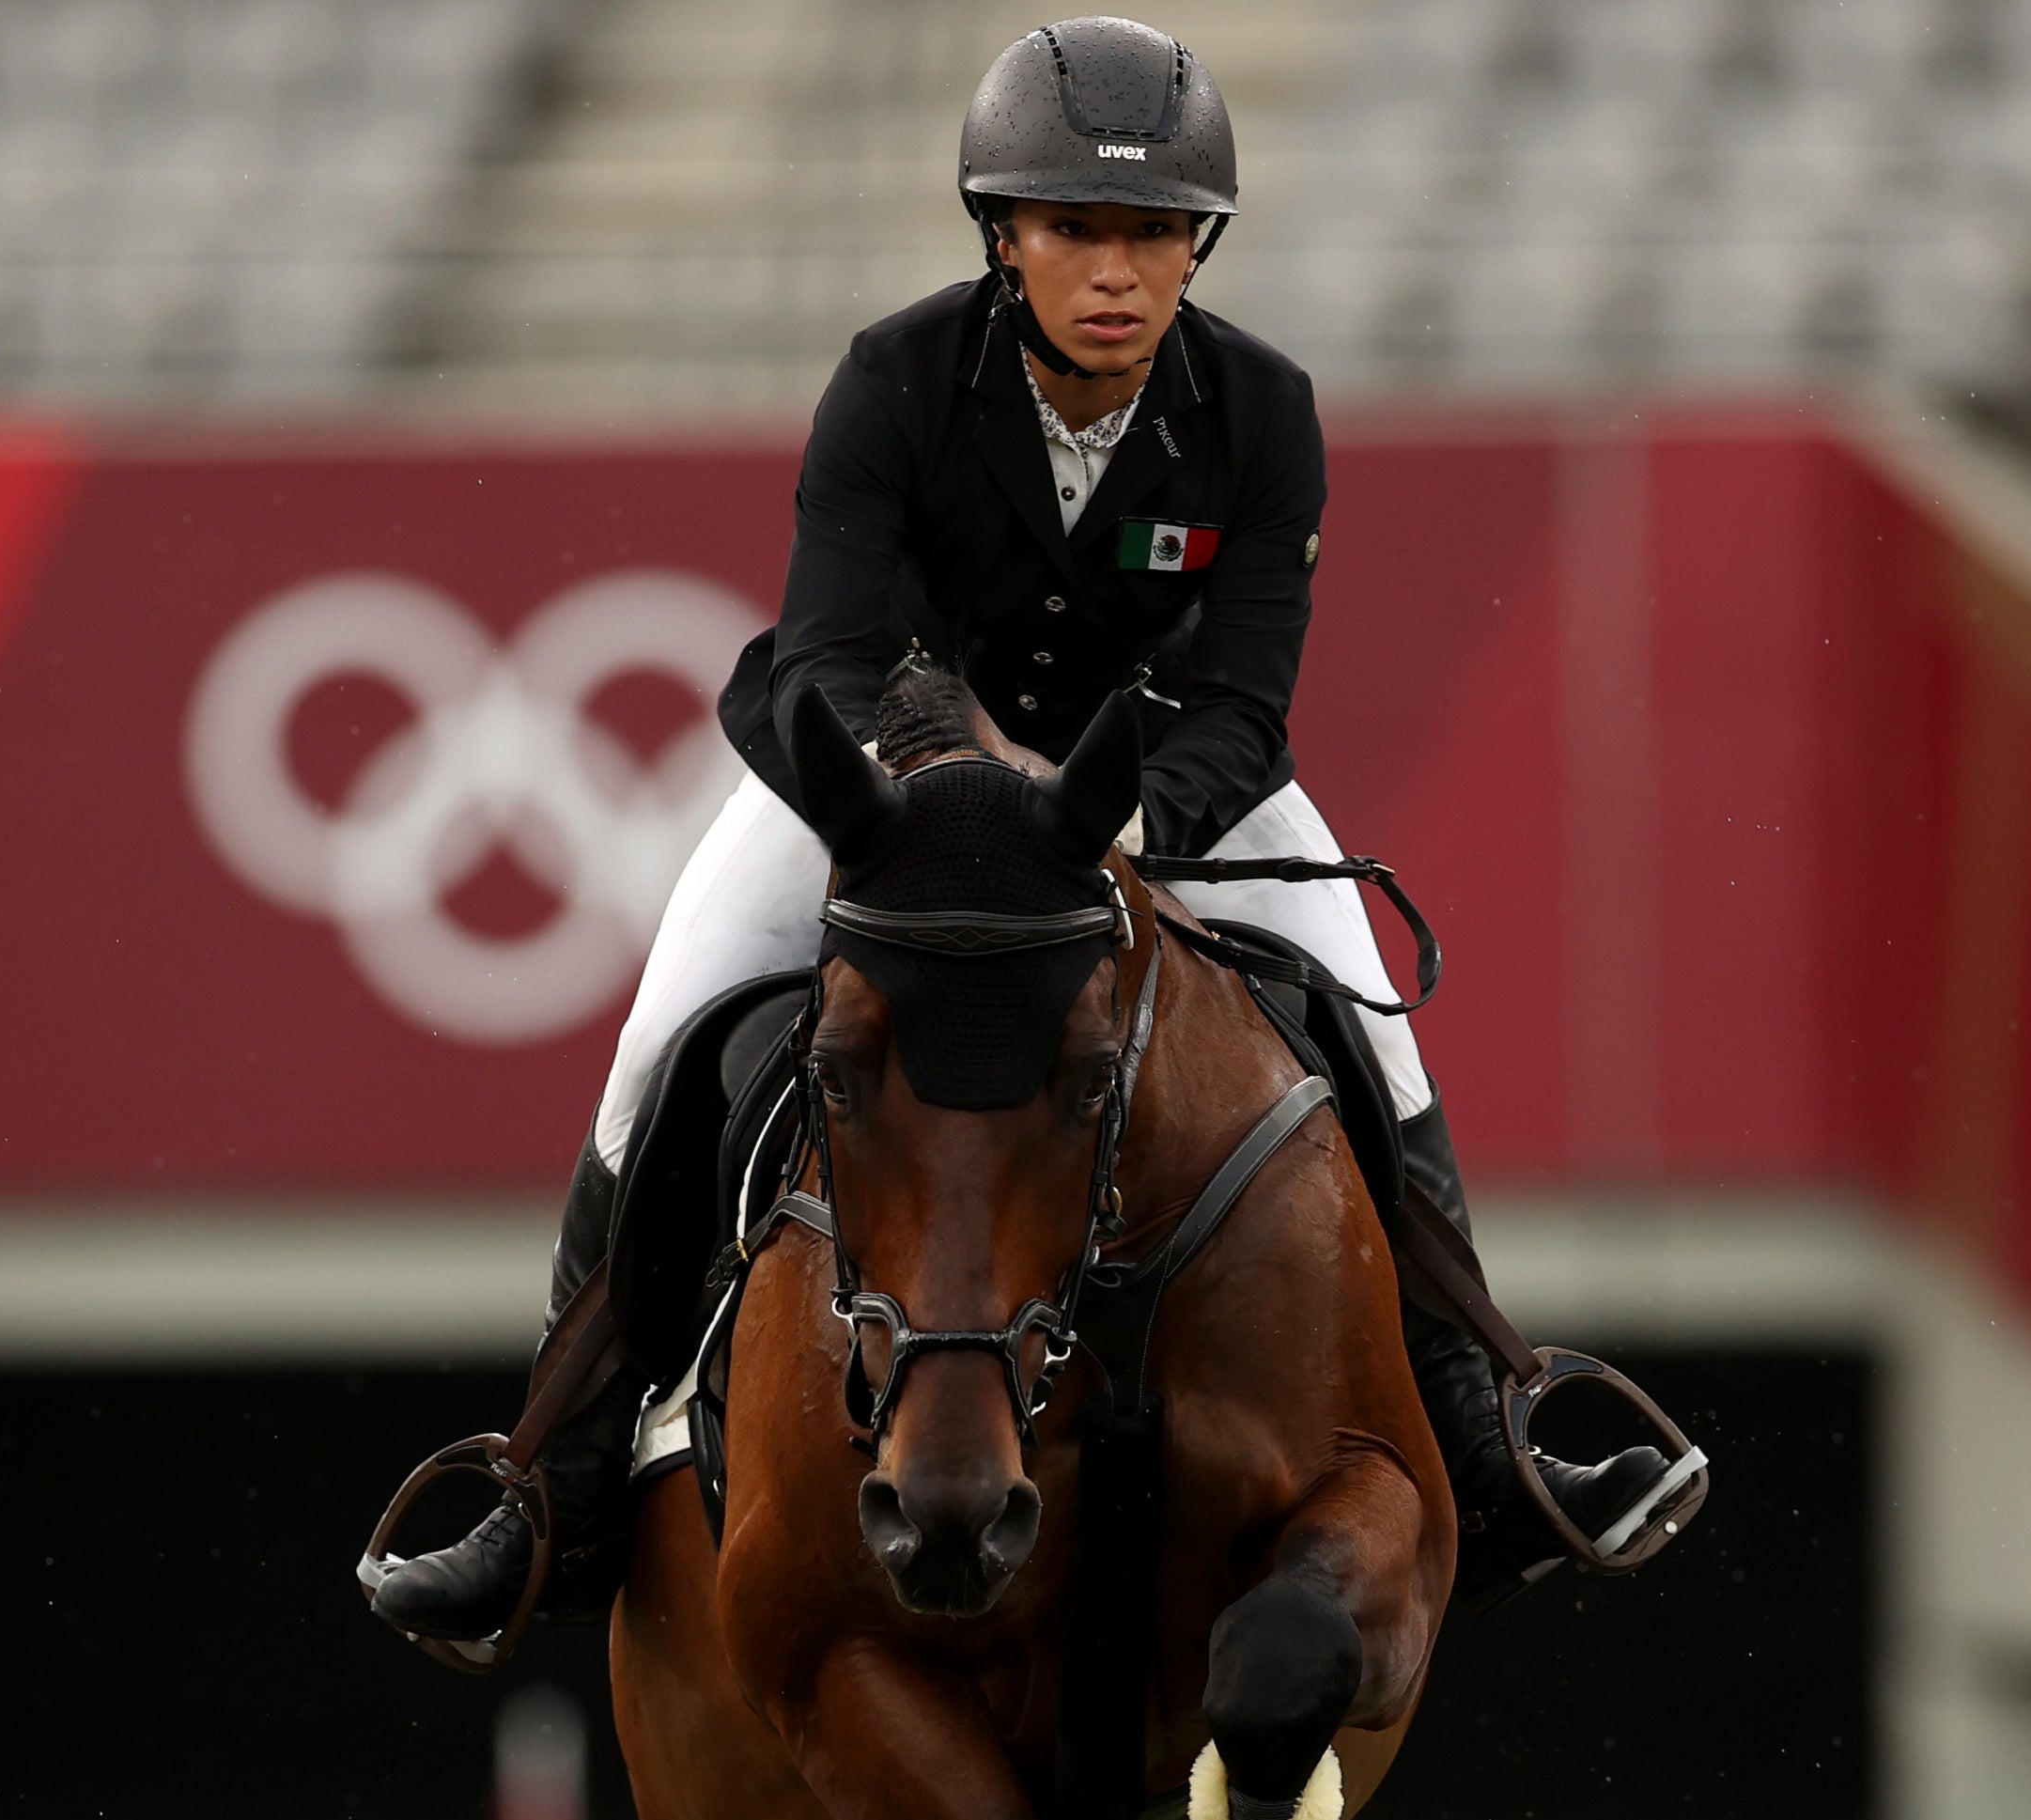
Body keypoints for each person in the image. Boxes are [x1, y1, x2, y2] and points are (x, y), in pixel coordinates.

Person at [364, 14, 1678, 1657]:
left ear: (1195, 244)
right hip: (884, 788)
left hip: (1153, 790)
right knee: (663, 1042)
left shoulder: (1262, 412)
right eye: (1074, 229)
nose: (1115, 272)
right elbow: (832, 653)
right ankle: (543, 1489)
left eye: (1151, 234)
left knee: (1371, 1039)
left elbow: (1245, 703)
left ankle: (1492, 1437)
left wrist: (1109, 824)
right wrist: (949, 795)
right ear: (1004, 234)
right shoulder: (894, 379)